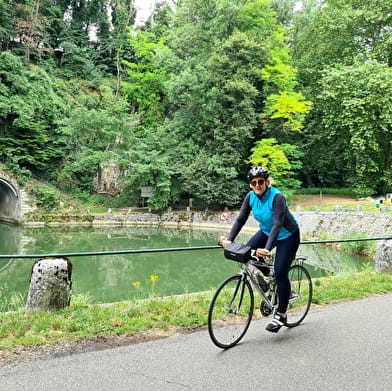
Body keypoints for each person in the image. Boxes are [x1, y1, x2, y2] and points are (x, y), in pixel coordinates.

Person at [221, 166, 300, 333]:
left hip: (288, 235)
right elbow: (241, 219)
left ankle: (281, 314)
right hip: (265, 231)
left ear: (267, 182)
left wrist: (267, 248)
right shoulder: (250, 197)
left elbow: (278, 224)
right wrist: (229, 239)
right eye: (254, 182)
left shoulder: (277, 197)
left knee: (280, 272)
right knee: (247, 254)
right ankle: (269, 278)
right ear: (250, 184)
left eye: (260, 182)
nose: (257, 185)